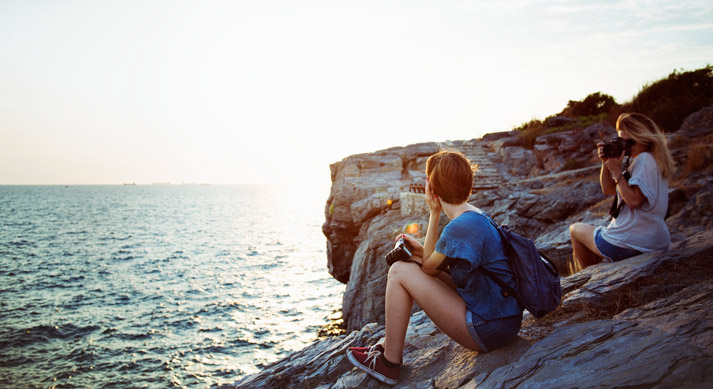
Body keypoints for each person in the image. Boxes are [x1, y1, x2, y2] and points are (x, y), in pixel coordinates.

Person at [345, 151, 523, 385]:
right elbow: (452, 273)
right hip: (504, 321)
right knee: (414, 264)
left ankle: (389, 363)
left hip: (489, 328)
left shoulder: (459, 227)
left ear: (432, 188)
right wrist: (420, 254)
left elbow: (429, 268)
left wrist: (434, 212)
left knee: (399, 271)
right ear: (468, 184)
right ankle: (387, 344)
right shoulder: (479, 216)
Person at [569, 112, 676, 270]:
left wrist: (617, 173)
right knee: (595, 233)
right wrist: (606, 163)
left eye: (631, 142)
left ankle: (590, 276)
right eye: (622, 142)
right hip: (653, 240)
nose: (627, 147)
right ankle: (595, 273)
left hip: (629, 243)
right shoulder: (654, 160)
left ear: (644, 137)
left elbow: (633, 201)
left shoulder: (644, 159)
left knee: (575, 229)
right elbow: (608, 190)